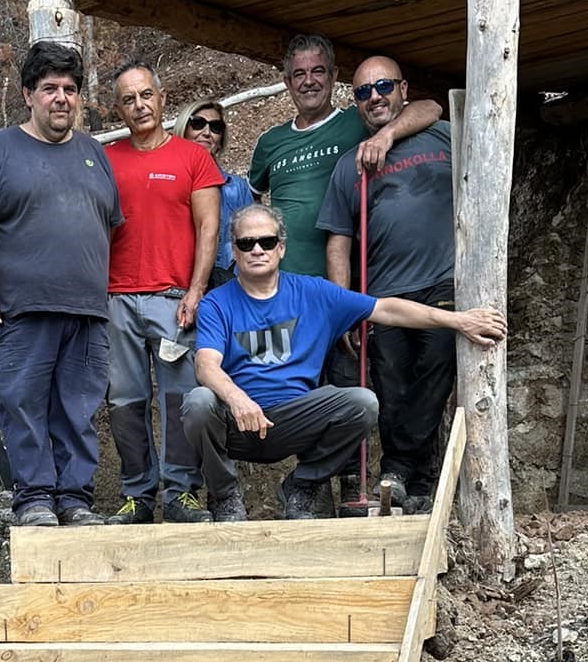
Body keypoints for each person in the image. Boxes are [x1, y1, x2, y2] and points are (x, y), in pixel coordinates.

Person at [181, 204, 506, 522]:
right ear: (234, 252)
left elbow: (387, 309)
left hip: (297, 418)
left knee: (362, 403)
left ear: (281, 248)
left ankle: (302, 484)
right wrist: (238, 400)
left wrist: (459, 320)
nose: (257, 250)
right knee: (199, 402)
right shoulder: (216, 303)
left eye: (266, 242)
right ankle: (224, 495)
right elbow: (206, 365)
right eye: (245, 243)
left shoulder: (313, 293)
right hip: (238, 422)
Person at [0, 41, 123, 528]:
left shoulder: (95, 154)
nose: (61, 98)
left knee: (79, 409)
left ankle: (74, 499)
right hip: (23, 310)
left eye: (70, 89)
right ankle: (33, 501)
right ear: (28, 94)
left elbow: (108, 226)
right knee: (22, 403)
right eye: (49, 88)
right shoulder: (1, 150)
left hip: (88, 312)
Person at [317, 53, 457, 512]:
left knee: (437, 366)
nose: (374, 97)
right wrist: (345, 307)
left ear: (402, 88)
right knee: (392, 383)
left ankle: (398, 467)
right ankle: (418, 487)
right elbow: (338, 241)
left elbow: (434, 105)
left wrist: (389, 133)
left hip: (444, 281)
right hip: (384, 293)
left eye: (383, 87)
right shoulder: (349, 166)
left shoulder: (444, 135)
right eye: (362, 92)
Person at [103, 61, 224, 525]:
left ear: (161, 97)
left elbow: (208, 228)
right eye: (129, 99)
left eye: (146, 95)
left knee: (179, 399)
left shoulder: (193, 158)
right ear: (120, 108)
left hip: (174, 298)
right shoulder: (108, 160)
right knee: (125, 400)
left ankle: (181, 493)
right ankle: (137, 494)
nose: (139, 106)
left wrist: (195, 292)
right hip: (116, 299)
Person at [249, 35, 442, 279]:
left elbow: (431, 108)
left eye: (318, 71)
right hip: (284, 280)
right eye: (299, 74)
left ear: (333, 75)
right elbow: (250, 198)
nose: (309, 81)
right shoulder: (270, 141)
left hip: (348, 277)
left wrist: (386, 136)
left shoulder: (359, 120)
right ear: (288, 82)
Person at [174, 95, 254, 286]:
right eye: (198, 124)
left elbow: (253, 241)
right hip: (175, 287)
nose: (207, 132)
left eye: (215, 127)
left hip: (229, 287)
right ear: (183, 128)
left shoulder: (237, 188)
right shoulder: (166, 181)